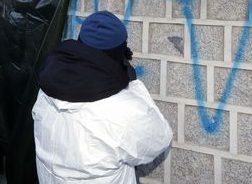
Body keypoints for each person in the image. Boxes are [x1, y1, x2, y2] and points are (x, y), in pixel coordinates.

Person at [32, 11, 172, 183]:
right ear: (120, 54)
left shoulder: (46, 90)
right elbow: (159, 139)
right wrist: (133, 84)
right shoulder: (123, 111)